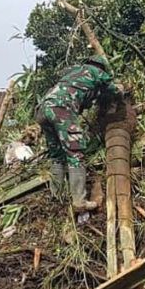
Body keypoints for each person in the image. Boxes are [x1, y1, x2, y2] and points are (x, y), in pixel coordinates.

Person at [36, 57, 121, 212]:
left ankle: (57, 196)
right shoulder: (95, 71)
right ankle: (79, 202)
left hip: (43, 110)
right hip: (61, 108)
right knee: (75, 153)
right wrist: (121, 92)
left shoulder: (72, 72)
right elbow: (112, 87)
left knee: (57, 155)